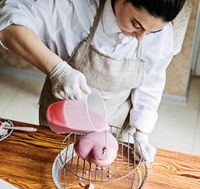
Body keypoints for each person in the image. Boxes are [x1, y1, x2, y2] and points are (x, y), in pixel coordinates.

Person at [0, 0, 185, 163]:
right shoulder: (76, 8)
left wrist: (142, 134)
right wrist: (58, 70)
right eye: (136, 24)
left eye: (154, 31)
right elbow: (7, 25)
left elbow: (151, 82)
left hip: (114, 126)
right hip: (61, 124)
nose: (141, 37)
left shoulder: (160, 33)